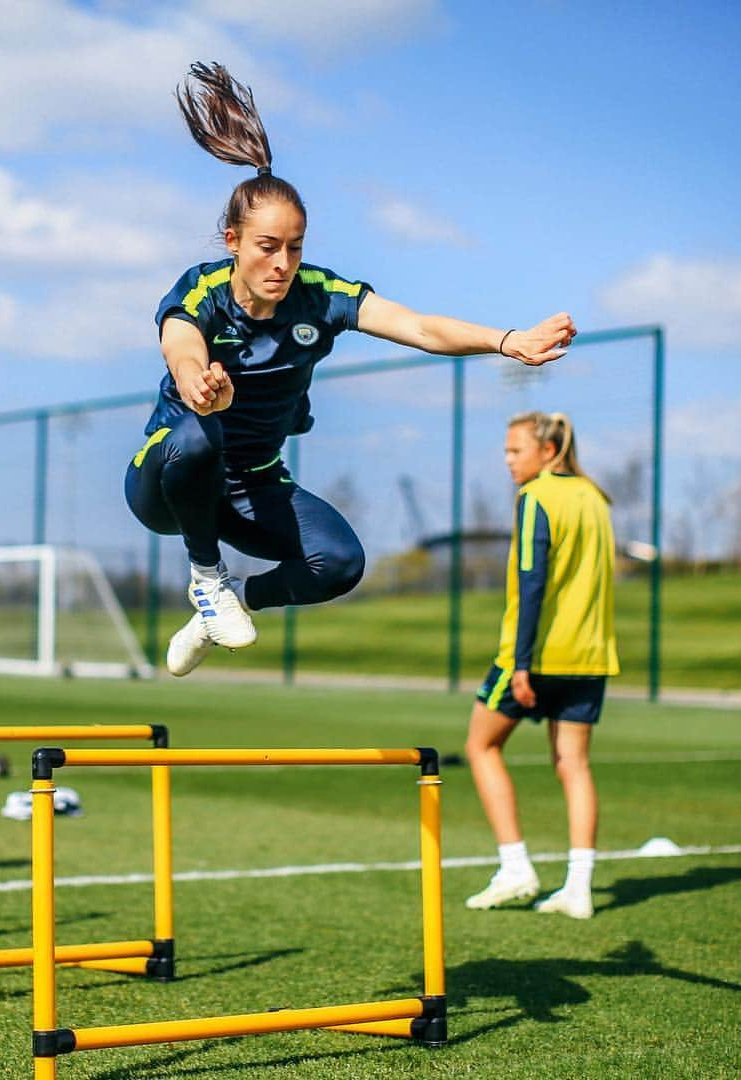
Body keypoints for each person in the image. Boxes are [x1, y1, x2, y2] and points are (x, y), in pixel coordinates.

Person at [126, 62, 576, 677]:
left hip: (253, 487)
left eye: (295, 246)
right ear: (232, 240)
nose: (282, 263)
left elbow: (418, 327)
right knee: (200, 433)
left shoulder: (322, 295)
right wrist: (201, 382)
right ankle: (207, 578)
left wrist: (507, 340)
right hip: (170, 481)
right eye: (266, 247)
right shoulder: (200, 291)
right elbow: (181, 349)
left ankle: (225, 605)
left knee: (339, 562)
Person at [464, 411, 619, 919]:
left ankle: (515, 867)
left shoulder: (535, 498)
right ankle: (579, 888)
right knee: (573, 764)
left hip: (533, 656)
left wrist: (523, 665)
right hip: (590, 656)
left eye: (515, 451)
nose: (508, 460)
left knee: (481, 745)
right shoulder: (596, 498)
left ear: (547, 452)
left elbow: (532, 581)